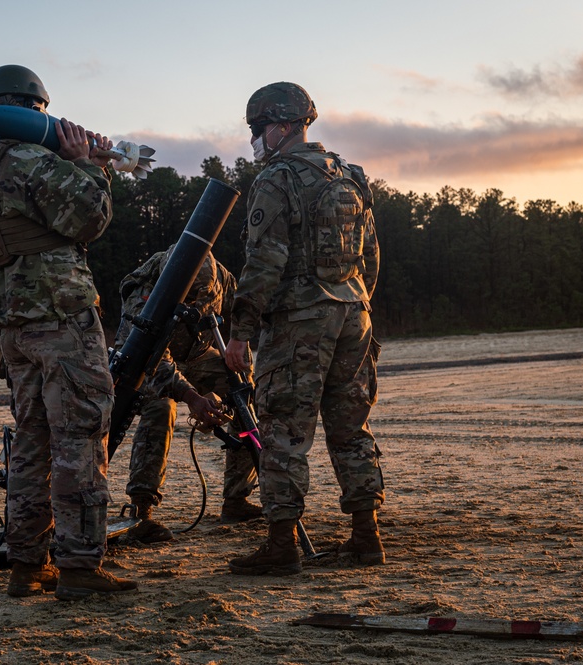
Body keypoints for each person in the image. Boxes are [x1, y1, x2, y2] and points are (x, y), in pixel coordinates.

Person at [0, 64, 136, 600]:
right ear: (35, 110)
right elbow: (88, 218)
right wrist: (87, 166)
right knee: (79, 437)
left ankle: (26, 564)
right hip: (60, 315)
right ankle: (81, 567)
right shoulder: (28, 159)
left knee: (31, 443)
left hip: (15, 319)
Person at [224, 82, 385, 575]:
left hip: (299, 321)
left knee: (283, 433)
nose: (257, 138)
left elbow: (263, 262)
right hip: (353, 311)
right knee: (350, 427)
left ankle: (281, 545)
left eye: (259, 128)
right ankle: (365, 537)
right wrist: (354, 301)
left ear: (284, 124)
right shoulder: (349, 175)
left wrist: (241, 331)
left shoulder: (276, 180)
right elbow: (371, 256)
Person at [115, 246, 260, 544]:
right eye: (191, 298)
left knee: (245, 390)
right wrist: (193, 398)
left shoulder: (219, 276)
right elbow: (148, 357)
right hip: (148, 362)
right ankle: (141, 513)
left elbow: (244, 304)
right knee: (161, 407)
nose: (198, 303)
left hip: (195, 355)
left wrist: (238, 340)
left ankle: (236, 498)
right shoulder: (145, 291)